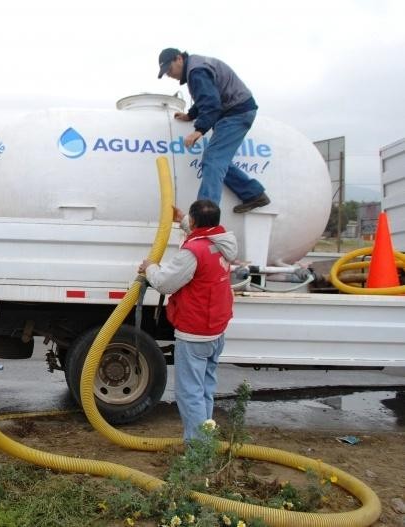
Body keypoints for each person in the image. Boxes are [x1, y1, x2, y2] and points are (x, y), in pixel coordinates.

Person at [138, 200, 236, 441]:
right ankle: (205, 440)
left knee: (189, 393)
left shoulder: (193, 252)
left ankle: (198, 451)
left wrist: (150, 267)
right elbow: (202, 232)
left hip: (195, 332)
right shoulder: (222, 243)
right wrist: (183, 218)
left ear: (194, 221)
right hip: (215, 330)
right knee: (204, 389)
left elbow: (164, 283)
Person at [157, 47, 270, 213]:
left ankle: (205, 214)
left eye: (169, 69)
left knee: (213, 159)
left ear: (179, 58)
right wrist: (191, 115)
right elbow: (206, 97)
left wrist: (199, 130)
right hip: (234, 112)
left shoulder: (196, 72)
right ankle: (253, 194)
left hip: (236, 113)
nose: (169, 74)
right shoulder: (196, 68)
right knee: (218, 160)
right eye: (166, 72)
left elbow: (211, 103)